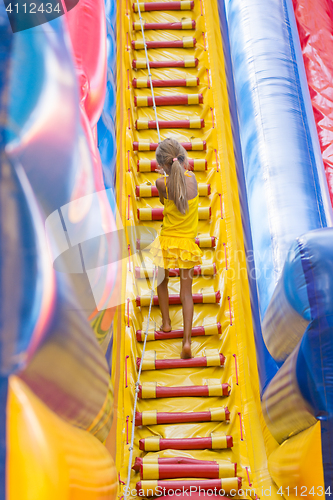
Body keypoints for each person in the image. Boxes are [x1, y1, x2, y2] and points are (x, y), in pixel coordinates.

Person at [149, 138, 203, 359]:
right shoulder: (194, 179)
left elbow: (163, 202)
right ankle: (187, 341)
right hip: (187, 244)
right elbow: (181, 181)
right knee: (186, 293)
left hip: (167, 242)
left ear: (162, 165)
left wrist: (162, 175)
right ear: (181, 158)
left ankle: (166, 322)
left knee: (161, 279)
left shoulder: (162, 183)